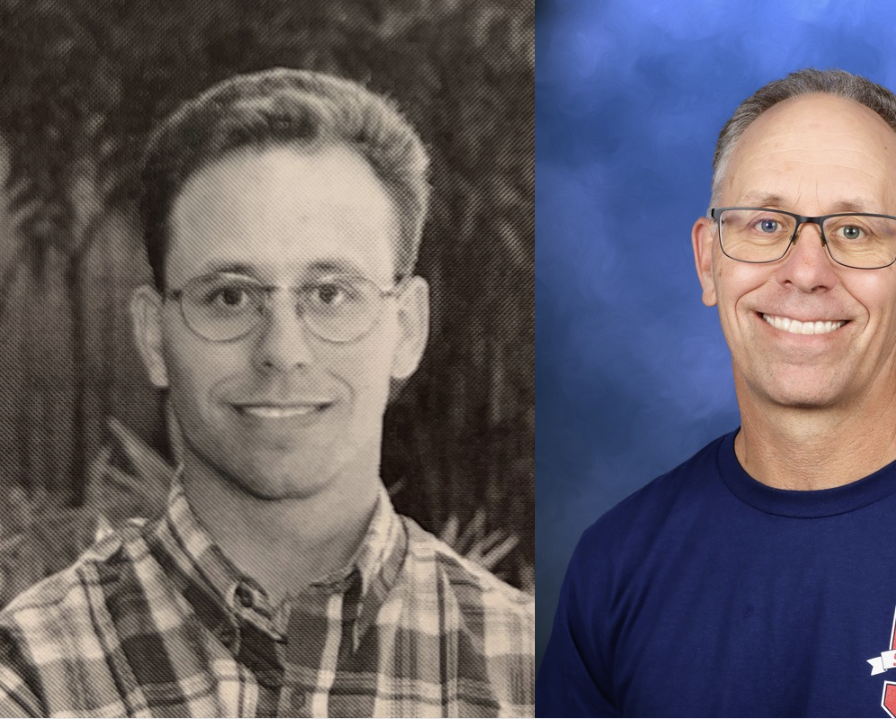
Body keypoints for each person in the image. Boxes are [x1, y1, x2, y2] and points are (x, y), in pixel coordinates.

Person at [537, 68, 896, 718]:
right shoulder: (615, 564)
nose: (805, 271)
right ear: (707, 261)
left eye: (855, 231)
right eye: (763, 224)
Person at [0, 68, 534, 717]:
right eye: (230, 295)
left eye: (329, 293)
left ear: (407, 326)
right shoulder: (32, 674)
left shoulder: (534, 673)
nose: (282, 349)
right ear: (152, 336)